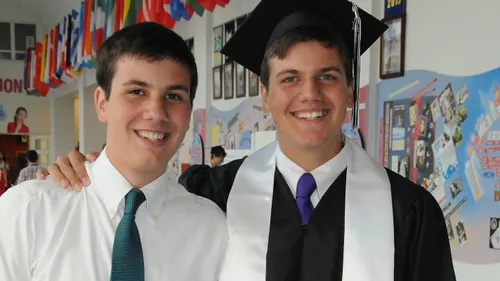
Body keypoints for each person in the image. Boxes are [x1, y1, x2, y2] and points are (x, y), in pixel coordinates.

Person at [38, 0, 456, 280]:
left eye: (327, 77)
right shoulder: (213, 193)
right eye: (290, 78)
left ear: (350, 90)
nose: (309, 95)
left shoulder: (410, 212)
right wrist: (90, 171)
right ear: (265, 94)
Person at [0, 22, 227, 281]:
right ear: (101, 103)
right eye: (136, 92)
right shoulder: (29, 212)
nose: (156, 112)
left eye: (174, 96)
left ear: (189, 112)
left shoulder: (210, 228)